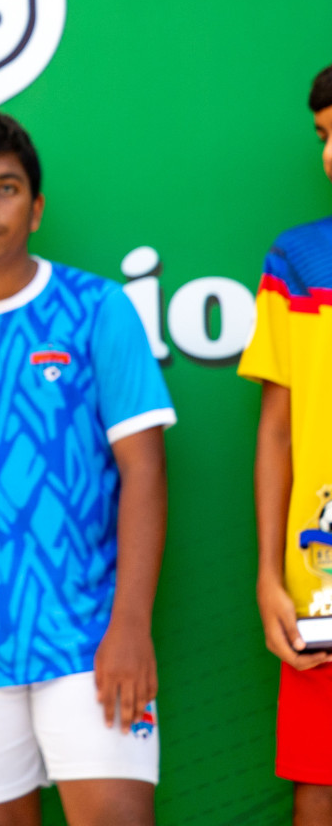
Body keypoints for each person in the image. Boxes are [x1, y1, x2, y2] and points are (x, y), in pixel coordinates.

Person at [0, 111, 173, 826]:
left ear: (35, 207)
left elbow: (144, 474)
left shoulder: (96, 308)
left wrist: (129, 625)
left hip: (89, 640)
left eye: (5, 188)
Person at [239, 63, 332, 826]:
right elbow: (277, 429)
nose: (331, 154)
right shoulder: (298, 260)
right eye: (325, 136)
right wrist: (271, 577)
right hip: (321, 584)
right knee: (320, 785)